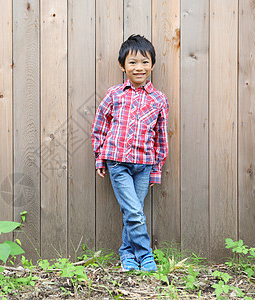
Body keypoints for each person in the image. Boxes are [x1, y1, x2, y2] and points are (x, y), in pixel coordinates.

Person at [91, 34, 168, 272]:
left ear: (152, 65)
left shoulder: (158, 99)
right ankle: (145, 256)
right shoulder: (114, 94)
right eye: (132, 62)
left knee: (131, 211)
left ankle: (127, 254)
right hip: (118, 163)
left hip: (144, 165)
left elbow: (160, 138)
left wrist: (156, 171)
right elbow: (100, 127)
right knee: (135, 212)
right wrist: (100, 157)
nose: (139, 68)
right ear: (122, 65)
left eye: (145, 62)